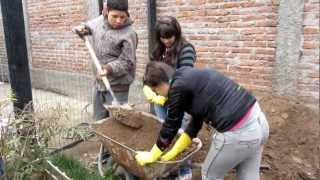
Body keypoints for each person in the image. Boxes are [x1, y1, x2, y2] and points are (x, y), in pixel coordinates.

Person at [136, 62, 269, 180]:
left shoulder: (177, 88)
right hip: (259, 122)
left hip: (239, 133)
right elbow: (195, 123)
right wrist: (174, 151)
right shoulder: (187, 77)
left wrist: (152, 155)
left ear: (159, 84)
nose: (158, 95)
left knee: (210, 175)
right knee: (248, 176)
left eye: (156, 91)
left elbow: (171, 125)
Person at [73, 0, 138, 120]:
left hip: (118, 85)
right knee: (99, 119)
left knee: (117, 123)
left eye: (122, 17)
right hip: (99, 82)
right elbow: (90, 26)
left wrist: (108, 68)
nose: (119, 21)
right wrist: (83, 28)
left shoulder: (129, 33)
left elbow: (127, 61)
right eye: (114, 16)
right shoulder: (100, 21)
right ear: (106, 12)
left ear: (127, 14)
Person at [143, 16, 196, 122]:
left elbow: (185, 77)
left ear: (176, 33)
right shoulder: (159, 50)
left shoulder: (186, 49)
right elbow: (150, 72)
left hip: (178, 101)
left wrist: (167, 94)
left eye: (169, 37)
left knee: (178, 132)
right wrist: (147, 87)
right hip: (160, 100)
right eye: (163, 37)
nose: (166, 41)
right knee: (162, 127)